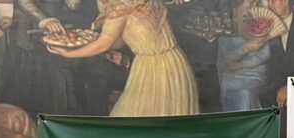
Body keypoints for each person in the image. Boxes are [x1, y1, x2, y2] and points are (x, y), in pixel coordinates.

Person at [47, 0, 198, 117]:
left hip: (153, 70)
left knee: (137, 118)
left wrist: (68, 54)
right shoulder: (145, 2)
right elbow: (128, 38)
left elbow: (103, 44)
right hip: (176, 62)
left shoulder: (120, 9)